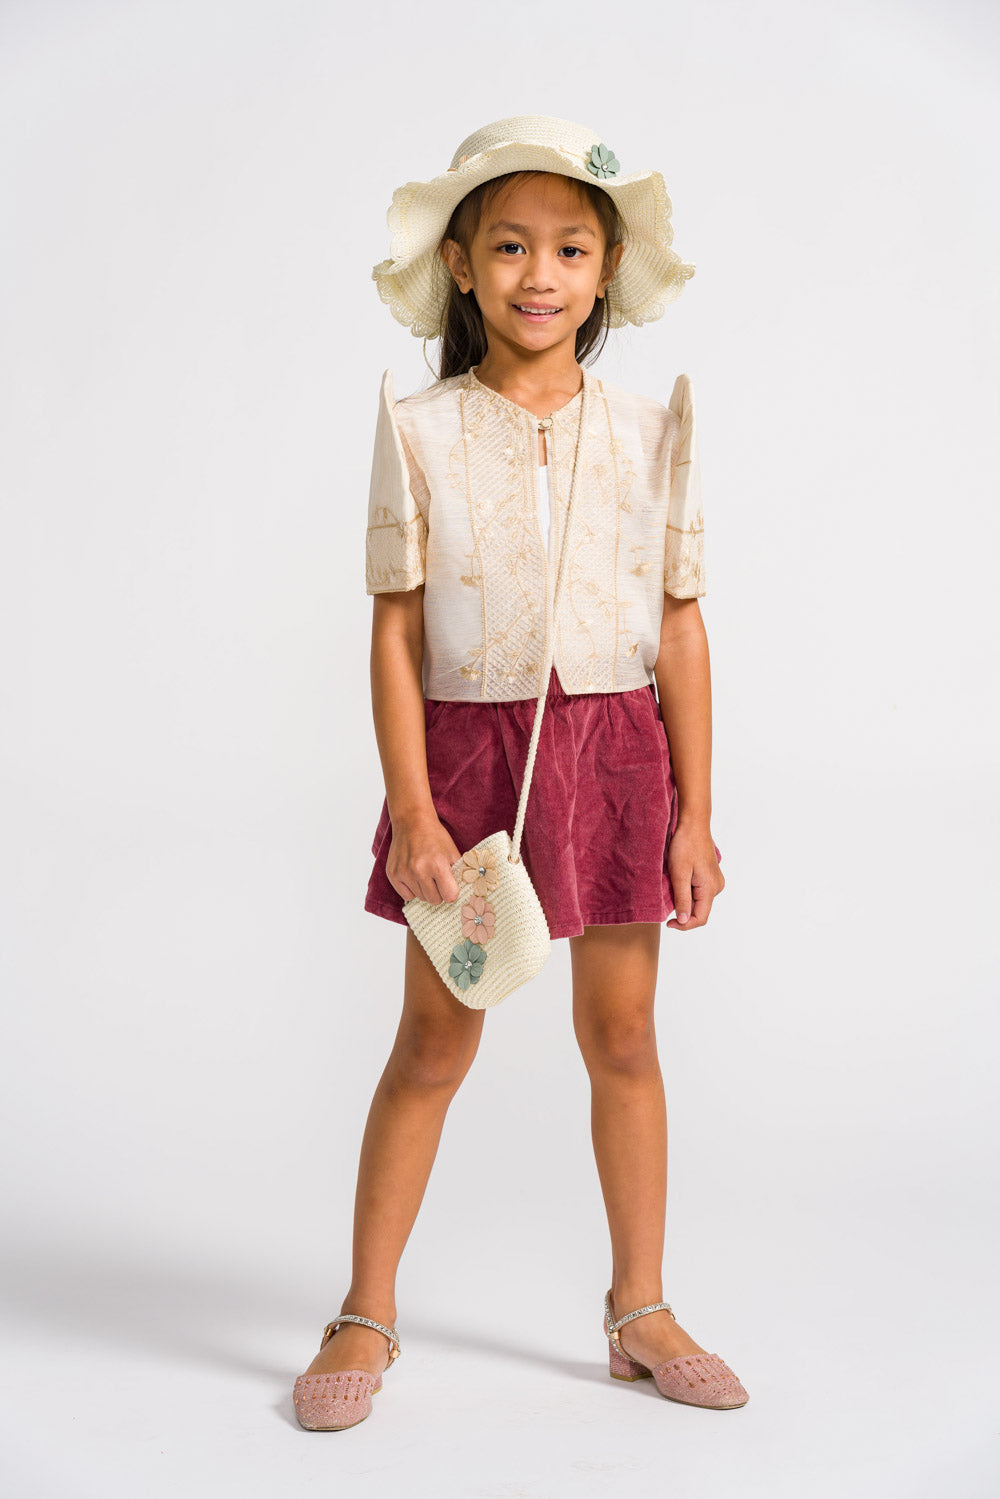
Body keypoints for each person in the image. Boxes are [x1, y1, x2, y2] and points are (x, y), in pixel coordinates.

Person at [293, 114, 748, 1433]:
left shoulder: (649, 429)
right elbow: (395, 630)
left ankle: (640, 1307)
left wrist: (695, 815)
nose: (538, 274)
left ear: (605, 271)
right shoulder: (421, 429)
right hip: (469, 762)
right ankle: (365, 1308)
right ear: (460, 262)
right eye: (508, 246)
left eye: (568, 248)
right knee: (434, 1044)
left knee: (625, 1037)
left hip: (617, 757)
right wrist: (416, 811)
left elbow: (678, 626)